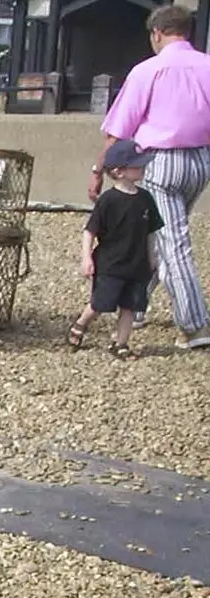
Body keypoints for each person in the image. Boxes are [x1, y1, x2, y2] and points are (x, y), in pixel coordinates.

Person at [92, 3, 210, 350]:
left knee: (173, 241)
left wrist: (98, 169)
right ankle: (136, 302)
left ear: (156, 33)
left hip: (158, 160)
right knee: (158, 233)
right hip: (200, 159)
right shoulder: (208, 66)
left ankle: (194, 324)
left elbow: (118, 128)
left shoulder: (148, 71)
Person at [69, 139, 164, 361]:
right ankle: (81, 323)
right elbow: (90, 230)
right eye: (136, 165)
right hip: (110, 264)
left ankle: (120, 343)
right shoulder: (108, 201)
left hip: (137, 264)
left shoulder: (145, 199)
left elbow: (152, 231)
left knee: (130, 306)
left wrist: (152, 257)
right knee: (100, 303)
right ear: (118, 171)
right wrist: (86, 258)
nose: (142, 168)